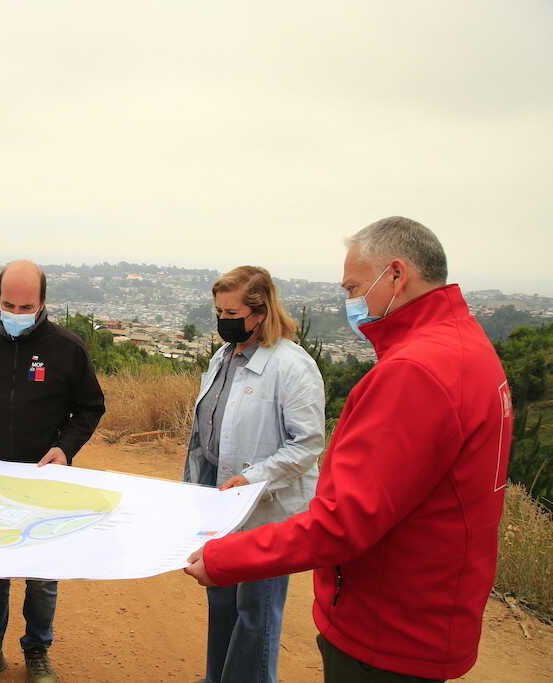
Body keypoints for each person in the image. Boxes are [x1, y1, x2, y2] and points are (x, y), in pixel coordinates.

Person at [184, 217, 513, 683]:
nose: (351, 301)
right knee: (227, 613)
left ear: (396, 275)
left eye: (355, 286)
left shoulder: (415, 372)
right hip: (420, 606)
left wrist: (230, 556)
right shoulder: (463, 350)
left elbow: (344, 516)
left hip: (387, 622)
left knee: (256, 616)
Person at [0, 260, 105, 683]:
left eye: (25, 305)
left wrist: (64, 449)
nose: (15, 312)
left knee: (42, 577)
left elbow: (90, 407)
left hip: (46, 477)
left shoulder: (67, 348)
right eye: (8, 303)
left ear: (42, 302)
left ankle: (37, 652)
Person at [183, 266, 325, 683]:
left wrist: (255, 477)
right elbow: (205, 431)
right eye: (219, 311)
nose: (223, 320)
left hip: (266, 508)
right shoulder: (222, 357)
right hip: (220, 500)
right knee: (221, 601)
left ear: (260, 313)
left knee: (256, 616)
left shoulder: (292, 366)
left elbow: (308, 443)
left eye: (232, 312)